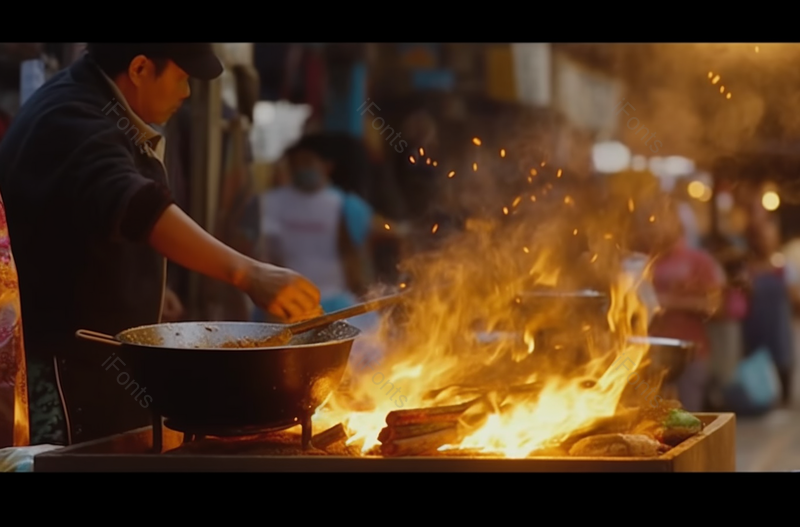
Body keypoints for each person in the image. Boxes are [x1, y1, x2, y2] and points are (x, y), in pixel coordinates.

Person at [0, 43, 322, 446]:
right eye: (182, 77)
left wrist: (151, 284)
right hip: (65, 378)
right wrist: (249, 273)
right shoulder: (72, 118)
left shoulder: (85, 99)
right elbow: (136, 207)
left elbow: (89, 221)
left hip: (96, 367)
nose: (186, 93)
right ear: (138, 68)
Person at [255, 135, 376, 328]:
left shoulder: (346, 206)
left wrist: (367, 296)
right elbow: (254, 251)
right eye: (296, 163)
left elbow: (356, 258)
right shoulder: (269, 203)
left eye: (307, 162)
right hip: (283, 305)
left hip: (335, 305)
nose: (301, 168)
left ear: (327, 166)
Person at [631, 194, 725, 412]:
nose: (651, 227)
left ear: (676, 221)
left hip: (688, 360)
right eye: (647, 221)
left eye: (657, 219)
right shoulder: (639, 263)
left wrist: (667, 303)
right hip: (646, 360)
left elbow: (716, 307)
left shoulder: (698, 261)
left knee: (685, 422)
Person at [741, 218, 797, 405]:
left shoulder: (784, 267)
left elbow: (795, 296)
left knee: (783, 360)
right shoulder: (746, 270)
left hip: (779, 325)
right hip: (755, 326)